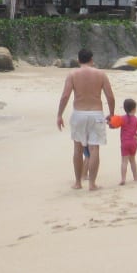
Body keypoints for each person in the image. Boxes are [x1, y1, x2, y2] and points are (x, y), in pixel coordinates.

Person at [56, 48, 116, 190]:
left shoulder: (72, 74)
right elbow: (110, 96)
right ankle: (92, 184)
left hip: (79, 114)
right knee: (94, 149)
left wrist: (59, 115)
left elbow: (65, 96)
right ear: (92, 60)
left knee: (77, 148)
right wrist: (112, 113)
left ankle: (77, 182)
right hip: (96, 114)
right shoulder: (101, 74)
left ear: (78, 60)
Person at [118, 98, 137, 185]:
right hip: (133, 142)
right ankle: (135, 177)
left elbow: (114, 124)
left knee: (124, 161)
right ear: (134, 109)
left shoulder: (122, 119)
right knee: (132, 160)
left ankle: (123, 179)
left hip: (124, 143)